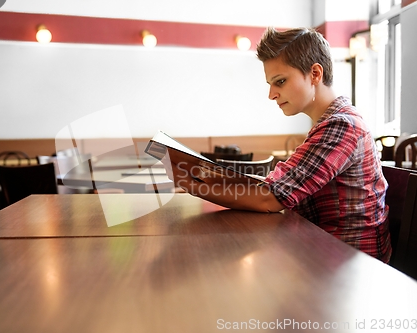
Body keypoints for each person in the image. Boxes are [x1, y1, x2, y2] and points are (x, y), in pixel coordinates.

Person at [163, 27, 391, 263]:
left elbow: (270, 198)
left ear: (314, 73)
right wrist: (203, 178)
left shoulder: (341, 126)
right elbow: (276, 187)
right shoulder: (330, 123)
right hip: (326, 253)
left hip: (352, 267)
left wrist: (191, 183)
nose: (271, 94)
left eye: (280, 81)